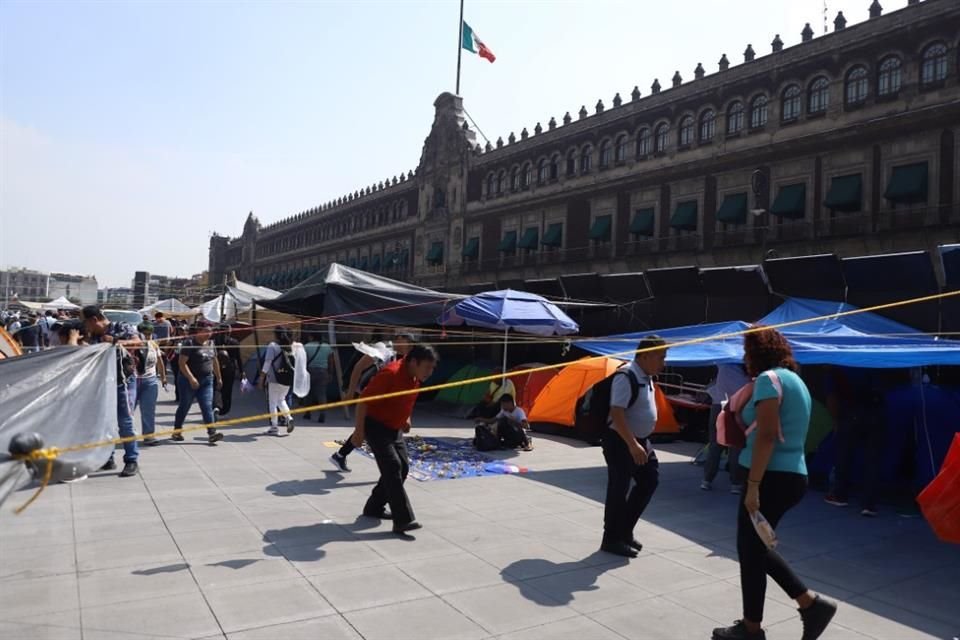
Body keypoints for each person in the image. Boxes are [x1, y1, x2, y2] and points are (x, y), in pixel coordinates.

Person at [712, 327, 836, 640]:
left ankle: (762, 625)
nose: (744, 357)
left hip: (771, 477)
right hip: (790, 474)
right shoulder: (797, 381)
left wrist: (753, 485)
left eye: (747, 351)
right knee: (754, 550)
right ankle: (806, 607)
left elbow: (767, 435)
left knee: (751, 550)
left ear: (758, 353)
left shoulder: (769, 380)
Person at [351, 343, 438, 535]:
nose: (430, 373)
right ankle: (403, 520)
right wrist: (358, 432)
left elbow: (407, 401)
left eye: (432, 368)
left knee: (403, 467)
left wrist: (407, 419)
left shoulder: (415, 377)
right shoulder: (390, 374)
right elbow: (362, 401)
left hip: (394, 428)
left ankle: (374, 506)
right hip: (375, 426)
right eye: (427, 367)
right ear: (414, 362)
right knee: (392, 467)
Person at [601, 335, 668, 558]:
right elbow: (617, 413)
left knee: (649, 481)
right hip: (621, 441)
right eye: (661, 357)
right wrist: (632, 444)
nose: (663, 363)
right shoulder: (626, 375)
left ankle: (624, 531)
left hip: (640, 442)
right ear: (646, 355)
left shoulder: (646, 376)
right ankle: (611, 539)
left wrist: (641, 443)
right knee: (618, 490)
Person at [331, 333, 413, 472]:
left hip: (380, 395)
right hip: (369, 394)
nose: (410, 348)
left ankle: (341, 454)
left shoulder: (398, 356)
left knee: (369, 427)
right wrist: (351, 392)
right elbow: (358, 367)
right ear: (399, 339)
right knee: (372, 427)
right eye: (408, 344)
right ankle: (392, 462)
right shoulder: (382, 349)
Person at [81, 305, 143, 477]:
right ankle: (108, 458)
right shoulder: (93, 335)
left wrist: (115, 341)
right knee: (104, 421)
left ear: (94, 320)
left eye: (86, 322)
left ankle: (131, 460)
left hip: (123, 381)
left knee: (125, 422)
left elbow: (138, 342)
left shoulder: (120, 327)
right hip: (102, 383)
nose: (85, 326)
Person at [823, 366, 887, 517]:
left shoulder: (838, 366)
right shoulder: (873, 362)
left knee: (844, 454)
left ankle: (840, 494)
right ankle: (869, 504)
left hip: (850, 412)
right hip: (876, 413)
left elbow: (831, 396)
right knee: (873, 459)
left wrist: (836, 420)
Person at [172, 322, 224, 445]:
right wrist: (191, 378)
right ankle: (177, 431)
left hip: (207, 380)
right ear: (198, 331)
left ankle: (212, 433)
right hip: (187, 381)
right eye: (205, 331)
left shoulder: (211, 344)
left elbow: (214, 361)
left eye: (210, 331)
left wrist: (219, 377)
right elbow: (182, 363)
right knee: (185, 405)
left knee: (207, 406)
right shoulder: (189, 343)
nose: (208, 334)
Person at [703, 363, 752, 493]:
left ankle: (707, 479)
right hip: (738, 406)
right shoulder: (747, 370)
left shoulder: (723, 361)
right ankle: (735, 483)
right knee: (736, 445)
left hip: (718, 404)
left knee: (715, 444)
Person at [258, 326, 297, 436]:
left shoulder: (273, 346)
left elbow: (267, 363)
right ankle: (289, 418)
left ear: (275, 334)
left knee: (273, 403)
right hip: (287, 378)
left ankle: (274, 427)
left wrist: (261, 378)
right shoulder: (290, 346)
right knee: (281, 399)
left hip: (274, 378)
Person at [135, 322, 167, 446]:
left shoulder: (153, 344)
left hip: (150, 380)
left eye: (149, 334)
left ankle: (149, 436)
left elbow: (159, 362)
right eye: (145, 334)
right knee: (128, 411)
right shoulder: (133, 344)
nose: (147, 336)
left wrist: (163, 377)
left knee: (149, 409)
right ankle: (125, 434)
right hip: (134, 380)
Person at [301, 331, 333, 422]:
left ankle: (307, 413)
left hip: (309, 371)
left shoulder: (306, 346)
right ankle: (322, 414)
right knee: (321, 394)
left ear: (311, 337)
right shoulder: (327, 347)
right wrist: (331, 373)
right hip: (323, 372)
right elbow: (331, 362)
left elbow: (303, 361)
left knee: (308, 393)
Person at [213, 324, 244, 417]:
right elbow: (238, 358)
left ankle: (215, 407)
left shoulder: (215, 342)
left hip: (217, 368)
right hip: (230, 369)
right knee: (227, 390)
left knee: (216, 388)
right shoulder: (234, 342)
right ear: (229, 331)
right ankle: (224, 409)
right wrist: (242, 371)